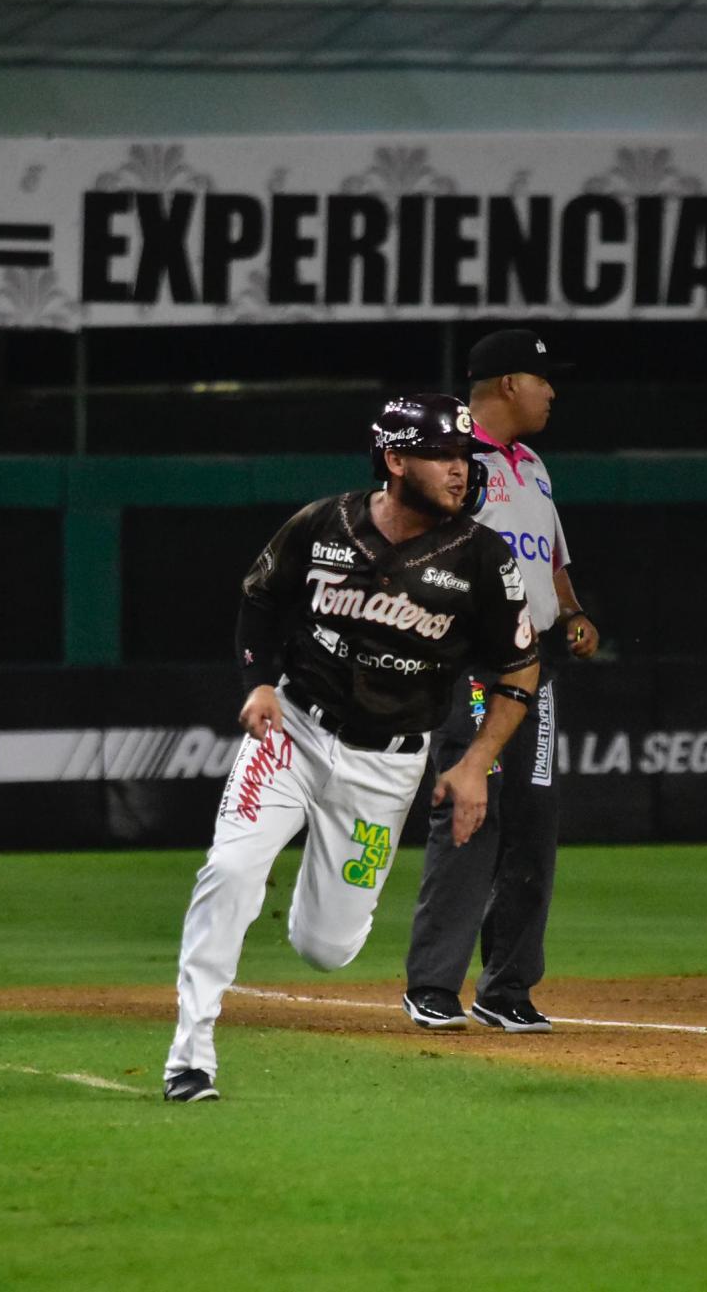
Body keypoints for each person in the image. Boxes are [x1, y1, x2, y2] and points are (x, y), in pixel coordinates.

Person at [163, 393, 541, 1103]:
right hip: (294, 733)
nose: (460, 470)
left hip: (387, 765)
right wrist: (259, 682)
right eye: (442, 455)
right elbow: (261, 598)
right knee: (231, 869)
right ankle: (190, 1056)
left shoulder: (483, 559)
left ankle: (311, 876)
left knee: (326, 947)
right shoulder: (324, 523)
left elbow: (520, 667)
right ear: (395, 460)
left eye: (465, 457)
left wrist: (474, 762)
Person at [402, 328, 598, 1034]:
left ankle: (507, 986)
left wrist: (572, 613)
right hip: (471, 664)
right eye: (543, 379)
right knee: (469, 812)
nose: (553, 392)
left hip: (534, 667)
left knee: (534, 821)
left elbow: (551, 560)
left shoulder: (533, 465)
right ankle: (433, 984)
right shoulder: (453, 462)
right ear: (510, 383)